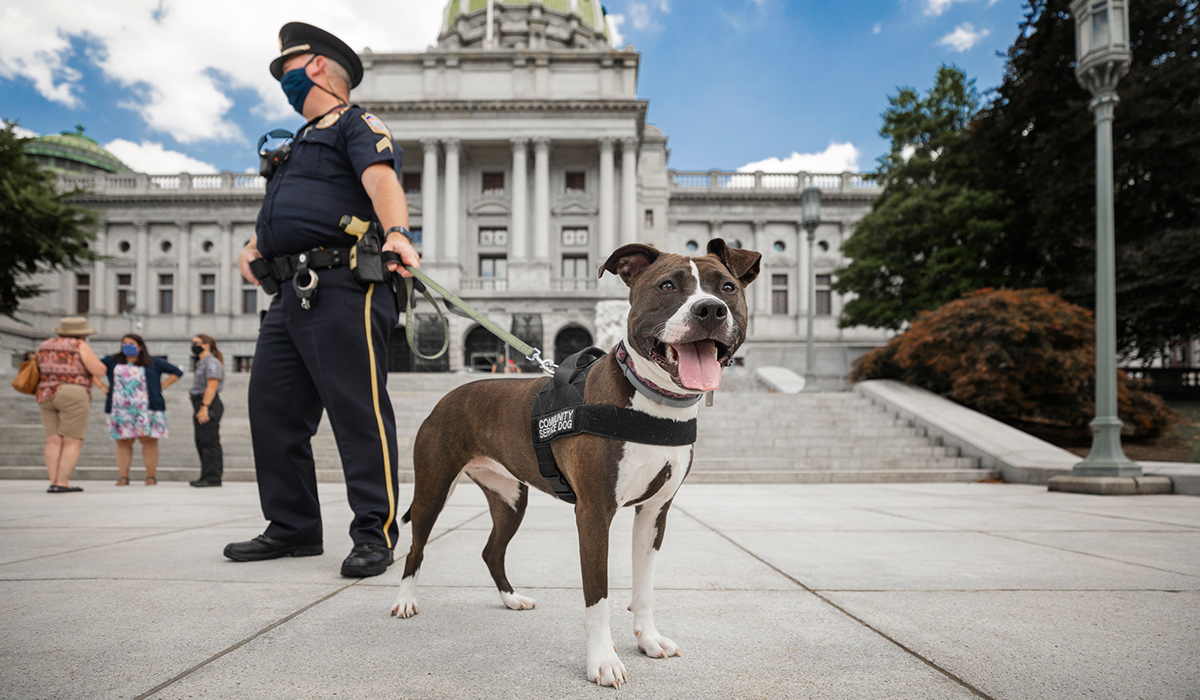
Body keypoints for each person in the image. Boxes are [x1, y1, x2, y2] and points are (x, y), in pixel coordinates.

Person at [226, 22, 420, 578]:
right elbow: (291, 208)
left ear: (314, 66)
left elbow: (381, 178)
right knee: (272, 410)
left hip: (342, 285)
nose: (281, 78)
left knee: (357, 407)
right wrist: (255, 243)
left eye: (285, 67)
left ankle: (374, 531)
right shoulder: (293, 145)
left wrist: (399, 233)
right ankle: (293, 527)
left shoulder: (356, 123)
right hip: (288, 292)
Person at [34, 317, 107, 493]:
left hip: (45, 393)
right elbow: (99, 370)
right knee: (72, 440)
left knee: (52, 440)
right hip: (72, 392)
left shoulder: (44, 344)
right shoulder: (78, 345)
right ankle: (62, 481)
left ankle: (53, 481)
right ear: (82, 333)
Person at [101, 334, 183, 486]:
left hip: (148, 409)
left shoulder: (153, 362)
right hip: (120, 410)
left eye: (130, 343)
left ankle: (151, 476)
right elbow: (92, 369)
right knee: (123, 443)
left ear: (139, 346)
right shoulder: (111, 361)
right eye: (124, 343)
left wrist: (161, 387)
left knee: (149, 442)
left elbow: (177, 372)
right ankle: (123, 477)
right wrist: (102, 387)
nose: (126, 346)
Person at [188, 334, 225, 488]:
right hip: (201, 403)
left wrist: (205, 407)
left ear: (207, 344)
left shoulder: (211, 363)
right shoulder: (202, 363)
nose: (193, 345)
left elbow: (212, 385)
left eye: (196, 343)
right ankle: (206, 475)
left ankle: (213, 477)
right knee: (202, 441)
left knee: (209, 442)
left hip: (207, 403)